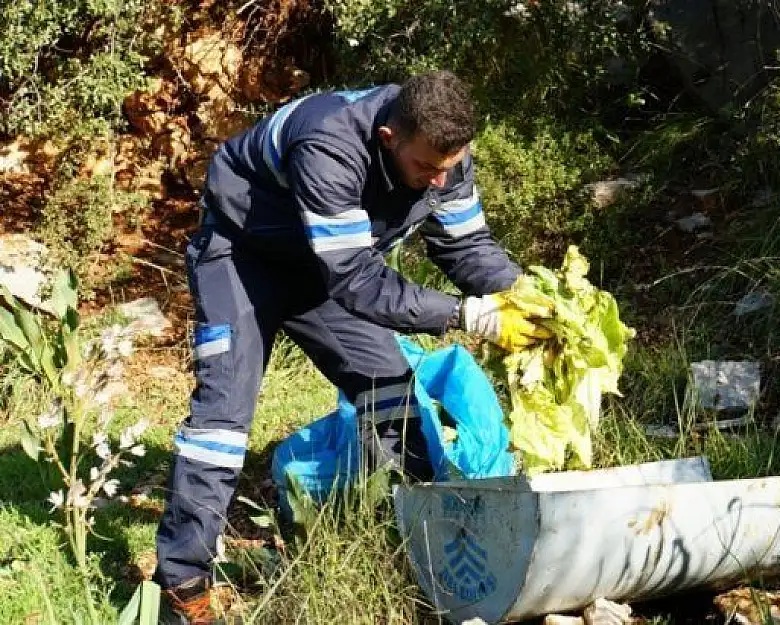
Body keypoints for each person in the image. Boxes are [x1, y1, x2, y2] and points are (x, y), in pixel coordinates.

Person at [155, 70, 550, 624]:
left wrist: (526, 299)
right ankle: (182, 587)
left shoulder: (442, 154)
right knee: (222, 424)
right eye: (427, 169)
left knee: (394, 394)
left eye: (450, 167)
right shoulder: (328, 143)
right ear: (390, 139)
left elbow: (467, 248)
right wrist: (462, 315)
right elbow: (357, 280)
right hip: (244, 258)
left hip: (323, 271)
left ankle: (417, 551)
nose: (440, 182)